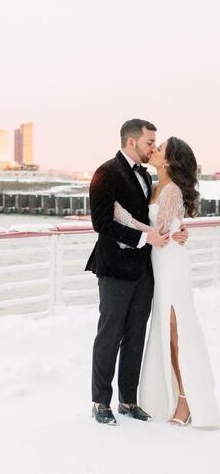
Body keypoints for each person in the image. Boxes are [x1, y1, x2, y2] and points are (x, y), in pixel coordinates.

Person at [86, 119, 188, 426]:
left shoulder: (147, 175)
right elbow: (102, 223)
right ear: (132, 142)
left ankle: (128, 400)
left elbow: (160, 216)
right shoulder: (106, 172)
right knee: (109, 333)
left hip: (145, 269)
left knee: (135, 335)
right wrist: (146, 238)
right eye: (149, 143)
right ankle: (100, 401)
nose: (153, 148)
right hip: (115, 267)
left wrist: (178, 230)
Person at [114, 137, 220, 427]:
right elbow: (167, 228)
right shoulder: (154, 184)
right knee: (165, 329)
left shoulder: (171, 189)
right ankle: (173, 395)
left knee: (177, 332)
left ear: (170, 161)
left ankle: (186, 401)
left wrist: (123, 218)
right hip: (159, 264)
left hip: (171, 264)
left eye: (160, 149)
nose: (155, 150)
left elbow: (159, 232)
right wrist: (176, 229)